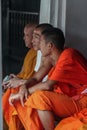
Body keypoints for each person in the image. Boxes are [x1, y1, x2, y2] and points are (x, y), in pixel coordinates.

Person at [9, 27, 87, 130]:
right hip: (69, 96)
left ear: (50, 46)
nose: (36, 43)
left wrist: (21, 93)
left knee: (39, 97)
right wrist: (23, 87)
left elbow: (47, 85)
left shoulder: (68, 55)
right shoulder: (53, 57)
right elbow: (36, 78)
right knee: (31, 99)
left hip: (82, 99)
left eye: (40, 41)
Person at [2, 23, 53, 130]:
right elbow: (35, 78)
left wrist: (22, 85)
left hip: (52, 93)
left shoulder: (52, 57)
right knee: (14, 93)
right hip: (41, 89)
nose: (32, 40)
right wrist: (22, 84)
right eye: (32, 36)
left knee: (22, 97)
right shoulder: (40, 54)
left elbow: (48, 85)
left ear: (46, 41)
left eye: (36, 37)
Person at [2, 22, 37, 130]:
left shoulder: (39, 55)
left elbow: (35, 79)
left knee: (8, 100)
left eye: (26, 35)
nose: (24, 38)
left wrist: (18, 81)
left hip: (28, 86)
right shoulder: (30, 52)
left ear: (33, 38)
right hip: (21, 83)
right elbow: (22, 72)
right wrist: (14, 78)